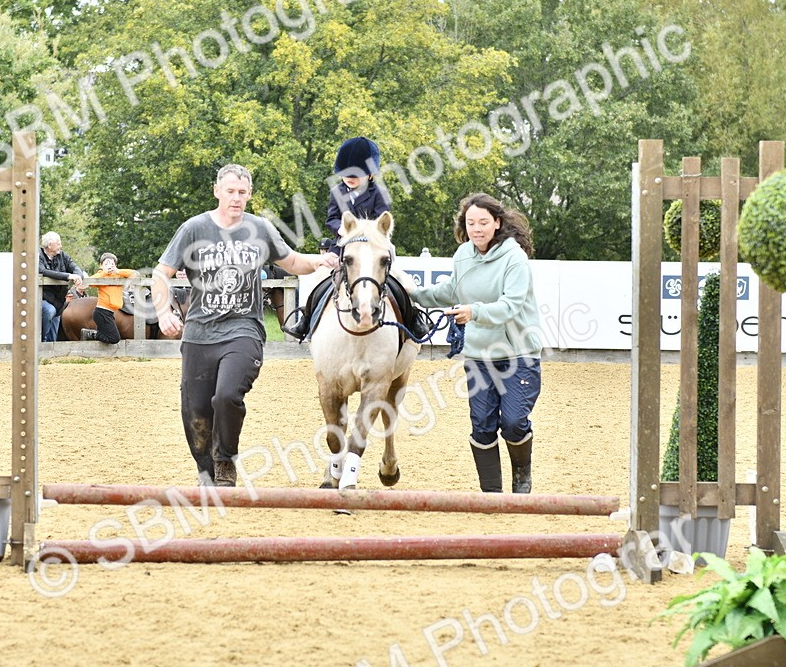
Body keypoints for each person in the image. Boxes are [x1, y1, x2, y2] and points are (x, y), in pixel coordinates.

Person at [152, 164, 338, 487]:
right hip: (198, 333)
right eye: (230, 192)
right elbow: (160, 273)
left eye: (242, 192)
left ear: (249, 194)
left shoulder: (260, 229)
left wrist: (318, 261)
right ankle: (206, 470)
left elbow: (291, 261)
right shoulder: (194, 229)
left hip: (243, 329)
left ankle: (225, 459)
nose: (236, 198)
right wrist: (163, 311)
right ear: (217, 191)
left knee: (226, 395)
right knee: (195, 411)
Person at [407, 193, 542, 494]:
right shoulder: (462, 256)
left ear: (497, 223)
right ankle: (491, 495)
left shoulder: (514, 258)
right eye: (471, 223)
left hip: (519, 352)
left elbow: (511, 305)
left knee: (514, 422)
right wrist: (411, 294)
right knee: (481, 425)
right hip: (479, 355)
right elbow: (450, 291)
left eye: (483, 222)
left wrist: (474, 311)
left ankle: (522, 479)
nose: (477, 228)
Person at [283, 136, 392, 341]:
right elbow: (331, 219)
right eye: (345, 174)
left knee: (403, 280)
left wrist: (363, 231)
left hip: (374, 247)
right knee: (317, 276)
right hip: (342, 246)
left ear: (370, 174)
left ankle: (414, 318)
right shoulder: (337, 192)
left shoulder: (379, 193)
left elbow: (382, 221)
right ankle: (305, 320)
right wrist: (342, 230)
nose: (349, 178)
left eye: (355, 175)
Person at [38, 232, 86, 342]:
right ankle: (41, 343)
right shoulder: (38, 256)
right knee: (49, 311)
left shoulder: (63, 256)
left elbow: (75, 267)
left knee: (55, 324)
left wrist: (78, 276)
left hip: (59, 299)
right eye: (58, 243)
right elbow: (43, 271)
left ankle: (50, 352)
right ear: (49, 245)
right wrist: (69, 276)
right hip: (42, 297)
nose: (61, 246)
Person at [82, 252, 138, 344]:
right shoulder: (101, 274)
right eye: (106, 263)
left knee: (106, 335)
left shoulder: (119, 275)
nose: (110, 266)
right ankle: (91, 335)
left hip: (110, 313)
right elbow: (90, 282)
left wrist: (118, 271)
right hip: (102, 312)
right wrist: (104, 272)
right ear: (101, 266)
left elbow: (135, 274)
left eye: (112, 264)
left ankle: (93, 336)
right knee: (114, 338)